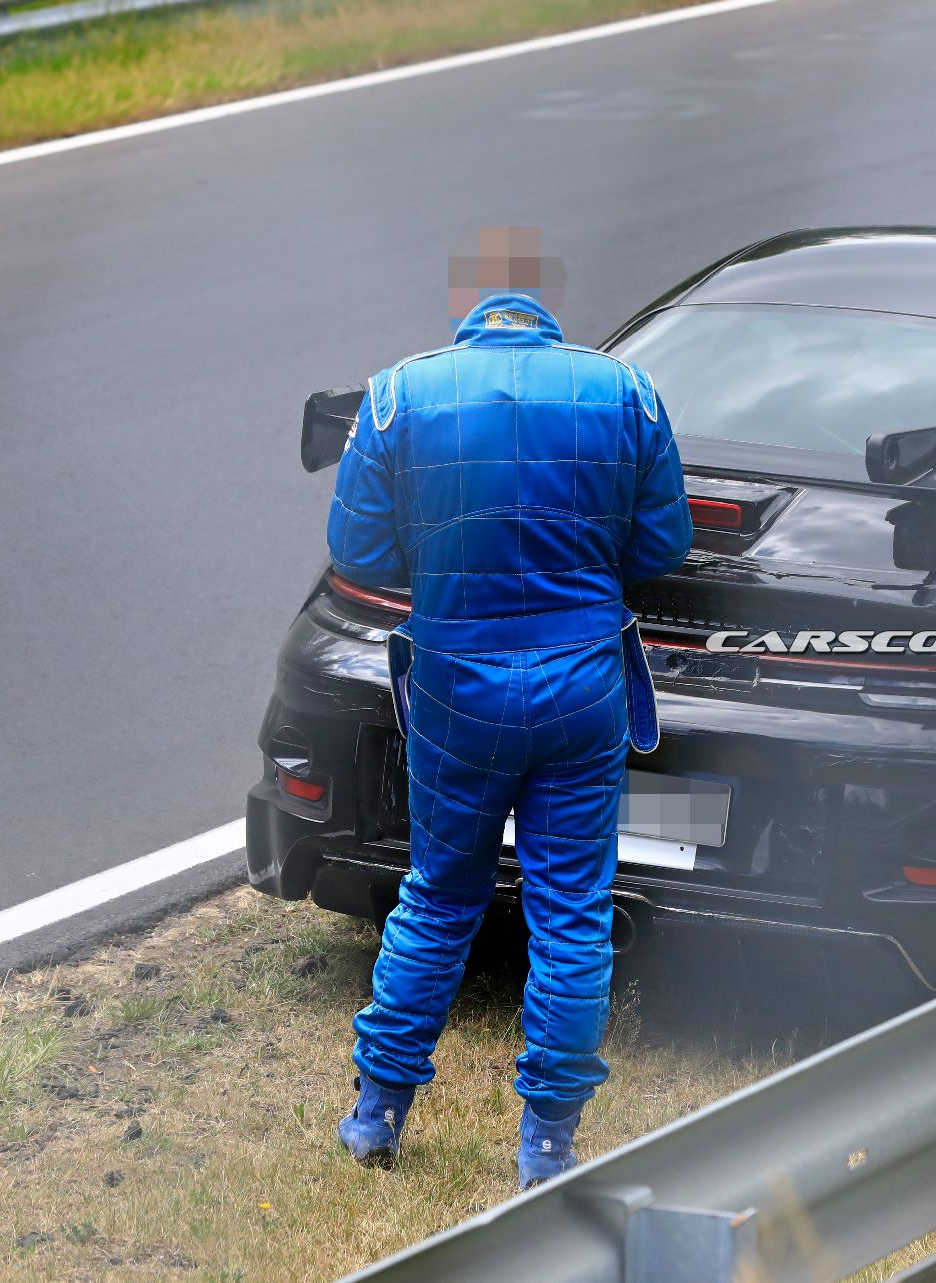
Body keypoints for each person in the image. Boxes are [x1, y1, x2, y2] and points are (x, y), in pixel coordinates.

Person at [324, 281, 691, 1188]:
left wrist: (445, 563)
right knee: (571, 910)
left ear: (470, 328)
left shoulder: (398, 396)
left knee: (439, 896)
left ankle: (377, 1112)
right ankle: (547, 1142)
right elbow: (662, 547)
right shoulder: (627, 392)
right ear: (548, 329)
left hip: (457, 685)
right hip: (582, 685)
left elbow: (357, 551)